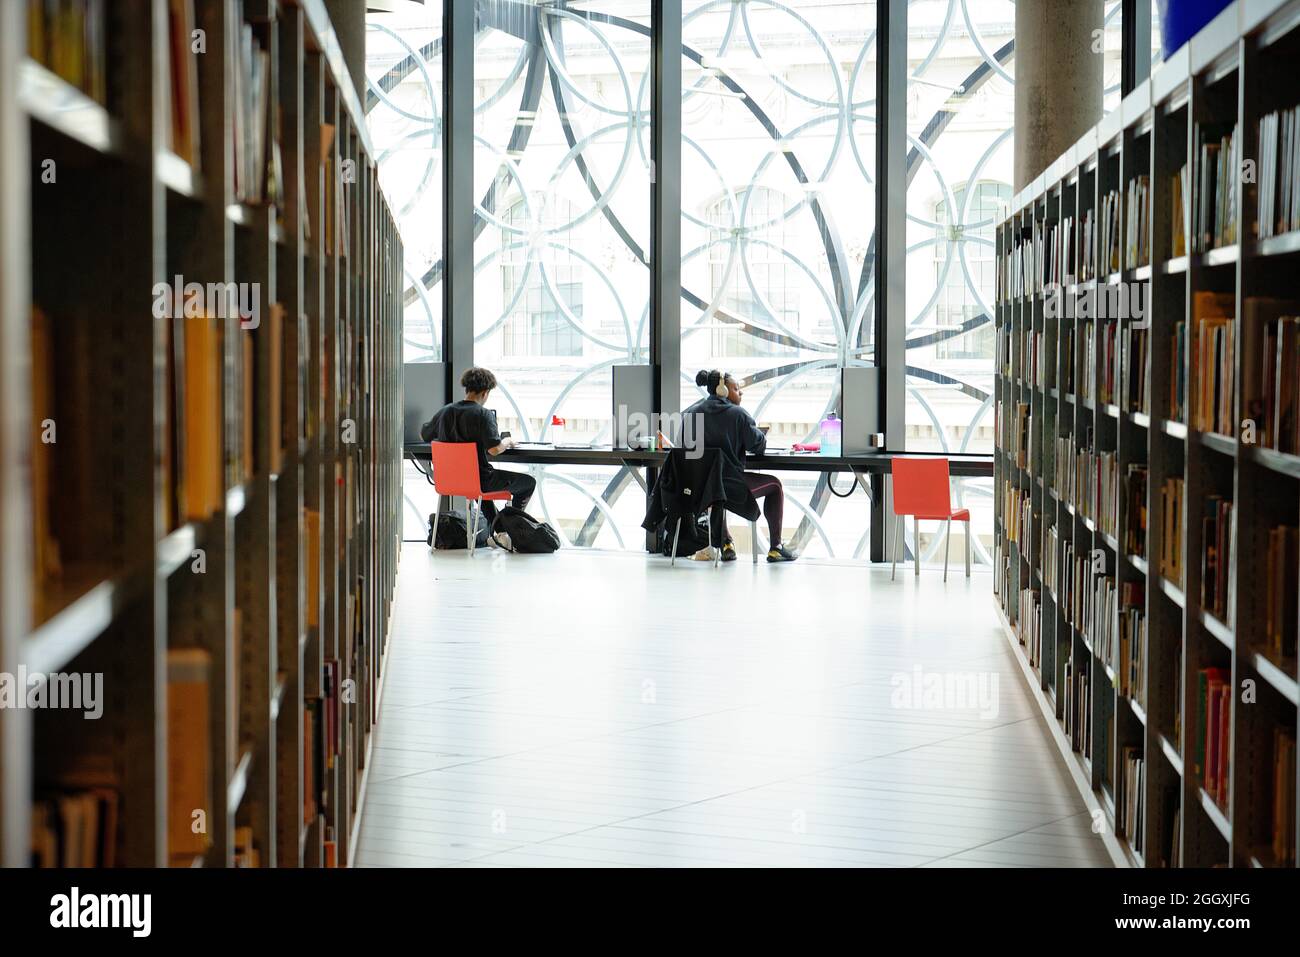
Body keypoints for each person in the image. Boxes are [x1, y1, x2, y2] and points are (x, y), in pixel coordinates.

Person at [681, 369, 797, 563]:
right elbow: (758, 446)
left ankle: (726, 543)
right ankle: (776, 547)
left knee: (716, 491)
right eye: (736, 388)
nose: (740, 393)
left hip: (699, 490)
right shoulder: (738, 414)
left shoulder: (691, 413)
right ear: (722, 390)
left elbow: (683, 449)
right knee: (775, 486)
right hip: (728, 488)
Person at [420, 367, 536, 527]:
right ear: (485, 392)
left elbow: (425, 435)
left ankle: (499, 530)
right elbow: (494, 450)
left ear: (467, 388)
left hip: (449, 479)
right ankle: (514, 527)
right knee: (528, 483)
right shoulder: (483, 414)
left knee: (477, 487)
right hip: (479, 480)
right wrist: (508, 441)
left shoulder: (445, 412)